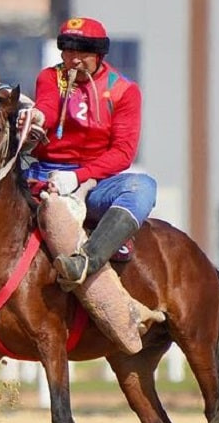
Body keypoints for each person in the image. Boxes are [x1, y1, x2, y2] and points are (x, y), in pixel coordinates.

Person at [25, 16, 157, 296]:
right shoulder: (50, 77)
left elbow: (123, 153)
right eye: (67, 50)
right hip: (42, 175)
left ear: (99, 54)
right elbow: (47, 106)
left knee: (143, 187)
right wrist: (36, 116)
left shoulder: (123, 91)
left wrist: (76, 177)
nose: (73, 59)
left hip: (93, 183)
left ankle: (88, 259)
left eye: (82, 51)